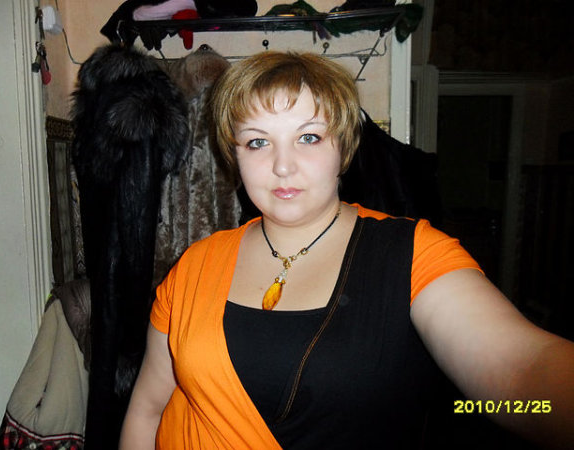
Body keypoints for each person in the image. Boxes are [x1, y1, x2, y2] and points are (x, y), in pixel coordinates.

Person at [119, 51, 574, 449]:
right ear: (234, 155)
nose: (282, 165)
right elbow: (148, 407)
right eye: (258, 142)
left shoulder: (413, 254)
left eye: (309, 137)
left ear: (344, 147)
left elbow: (521, 372)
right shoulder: (196, 263)